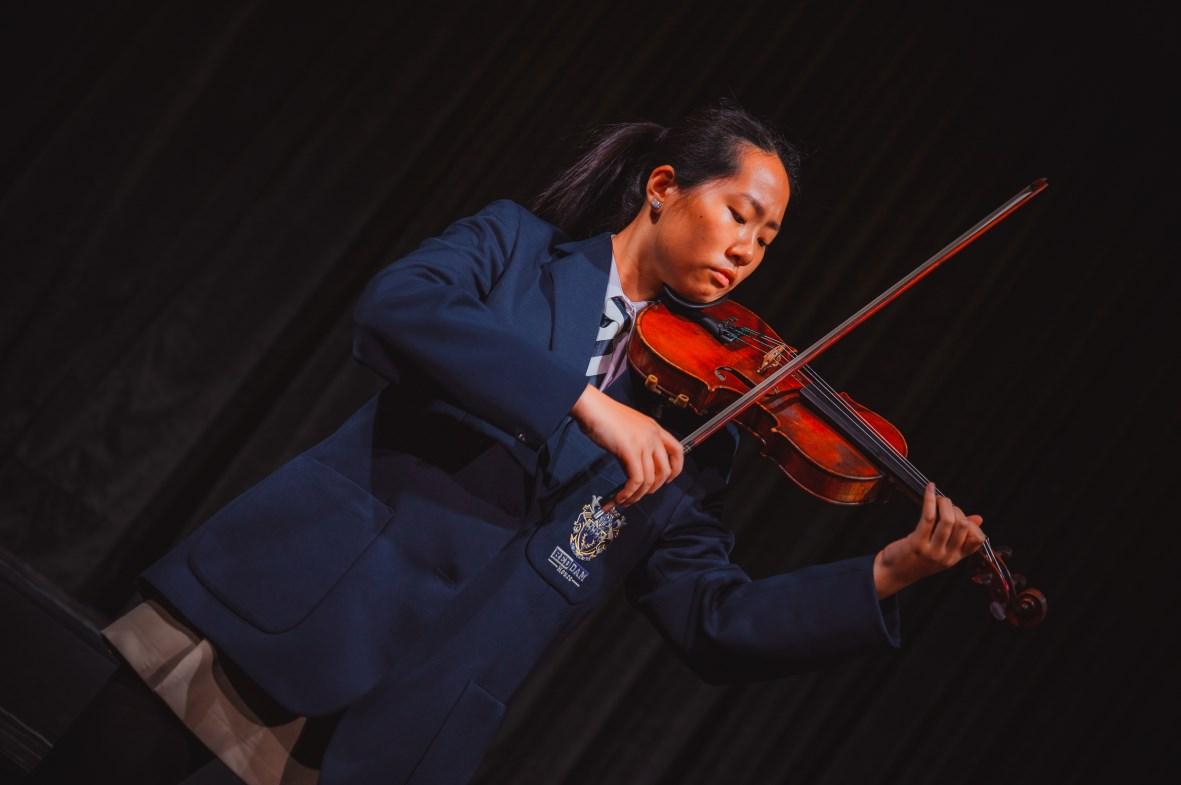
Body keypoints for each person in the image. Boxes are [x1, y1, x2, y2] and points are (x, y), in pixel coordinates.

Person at [31, 103, 984, 785]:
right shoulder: (516, 251)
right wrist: (580, 400)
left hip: (405, 730)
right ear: (664, 188)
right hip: (287, 610)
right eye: (741, 215)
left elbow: (713, 619)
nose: (748, 251)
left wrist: (887, 573)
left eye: (768, 240)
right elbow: (399, 308)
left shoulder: (700, 432)